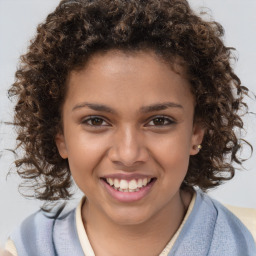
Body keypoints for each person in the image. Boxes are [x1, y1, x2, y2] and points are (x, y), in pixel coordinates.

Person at [5, 0, 256, 255]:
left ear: (196, 131)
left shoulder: (246, 242)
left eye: (159, 121)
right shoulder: (26, 248)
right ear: (59, 136)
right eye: (96, 121)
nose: (128, 155)